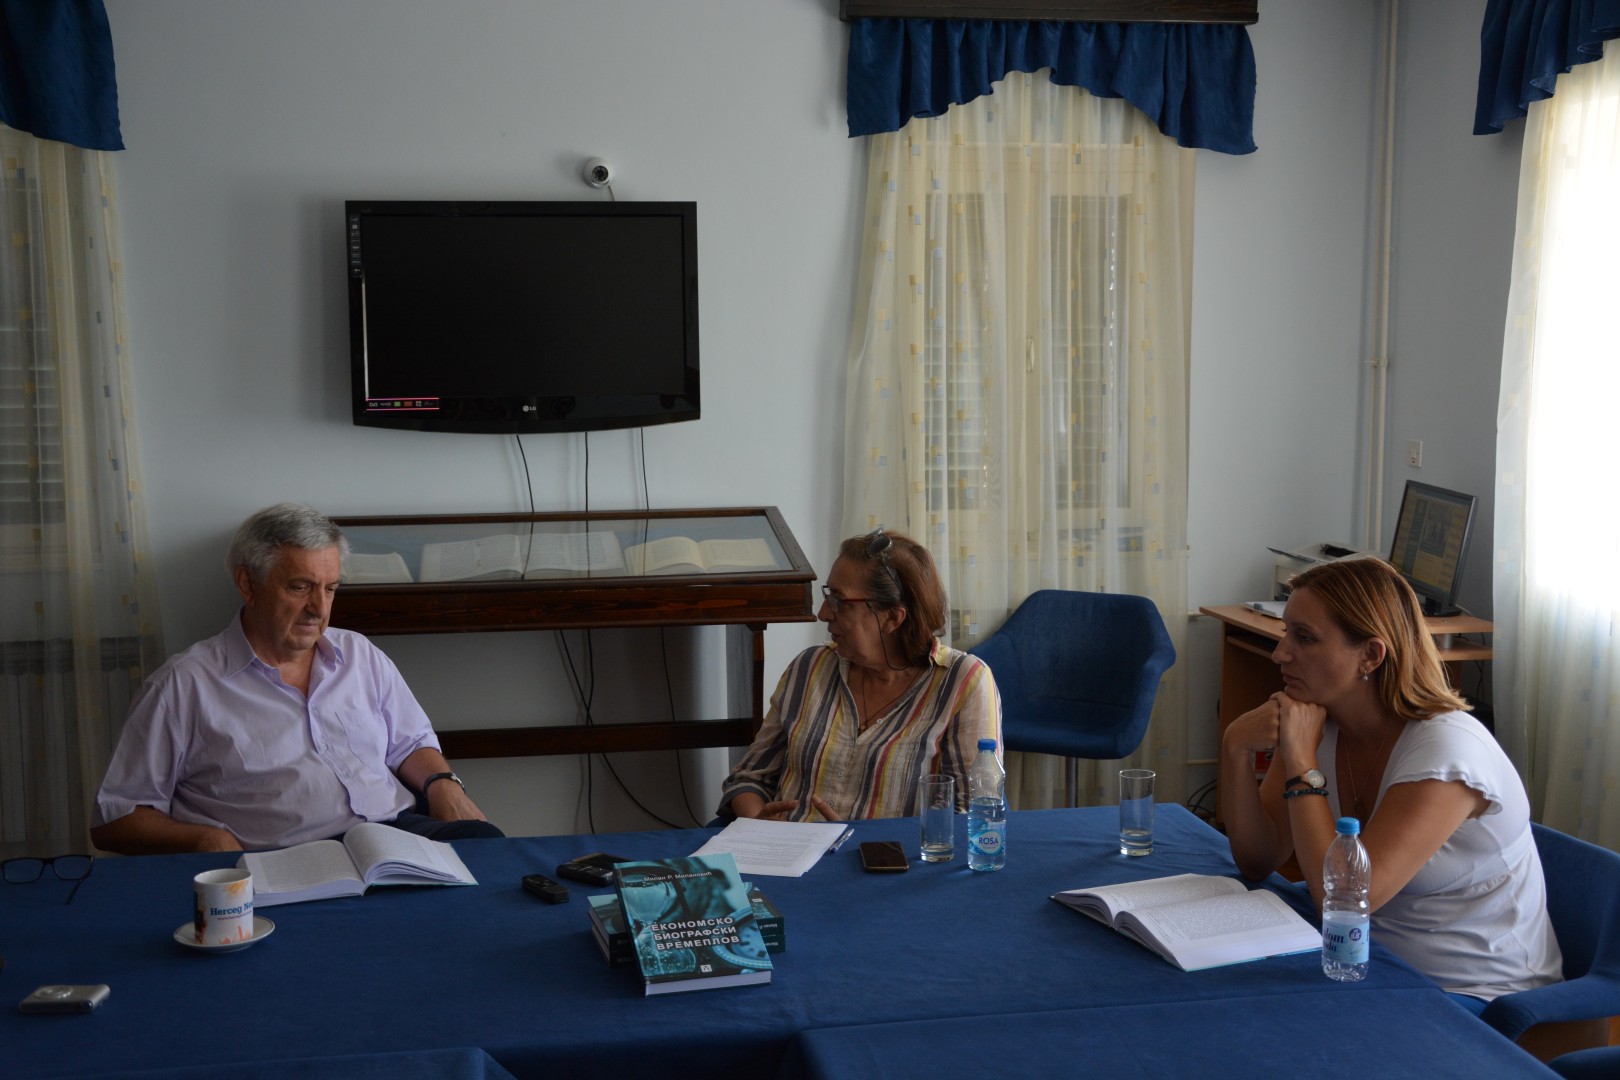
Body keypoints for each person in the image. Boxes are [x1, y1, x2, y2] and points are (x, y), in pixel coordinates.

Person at [1220, 556, 1561, 1007]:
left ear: (1371, 655)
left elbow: (1340, 902)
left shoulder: (1447, 752)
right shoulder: (1318, 720)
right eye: (1286, 633)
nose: (1280, 653)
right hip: (1361, 965)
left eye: (1304, 637)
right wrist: (1235, 748)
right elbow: (1258, 860)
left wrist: (1301, 761)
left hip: (1470, 993)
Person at [91, 503, 502, 854]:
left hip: (395, 832)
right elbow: (116, 819)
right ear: (248, 585)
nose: (319, 608)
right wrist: (204, 839)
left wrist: (443, 784)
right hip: (286, 858)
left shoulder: (359, 654)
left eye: (331, 589)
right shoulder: (182, 687)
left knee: (488, 848)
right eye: (301, 587)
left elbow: (411, 743)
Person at [718, 527, 1001, 822]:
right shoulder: (810, 668)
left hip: (890, 851)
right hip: (786, 846)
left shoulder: (963, 682)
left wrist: (857, 840)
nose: (823, 613)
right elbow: (748, 778)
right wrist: (758, 824)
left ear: (893, 617)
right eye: (828, 594)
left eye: (839, 600)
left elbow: (973, 815)